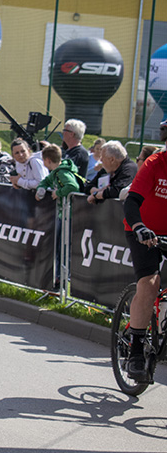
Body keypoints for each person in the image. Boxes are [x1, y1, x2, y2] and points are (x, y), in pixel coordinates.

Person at [121, 120, 167, 381]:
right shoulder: (155, 163)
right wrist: (139, 227)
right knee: (149, 283)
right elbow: (132, 202)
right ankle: (136, 349)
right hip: (143, 230)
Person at [84, 140, 137, 204]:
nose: (100, 160)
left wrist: (96, 195)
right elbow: (88, 186)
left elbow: (118, 190)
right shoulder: (107, 168)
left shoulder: (129, 169)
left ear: (112, 160)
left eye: (102, 157)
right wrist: (97, 191)